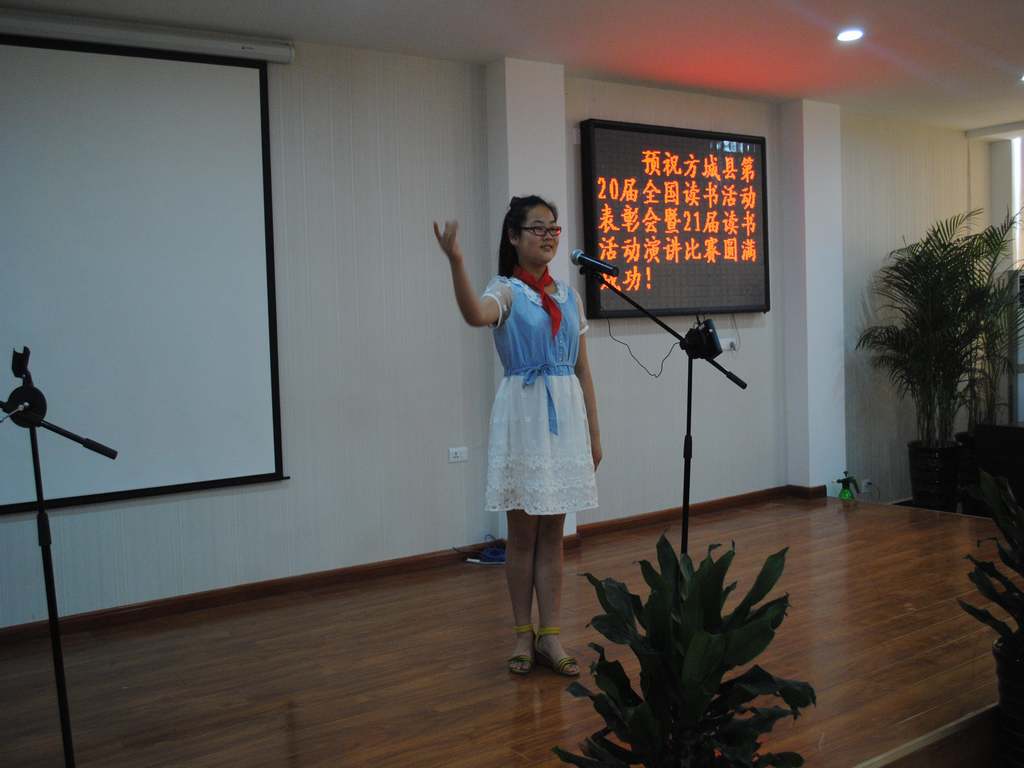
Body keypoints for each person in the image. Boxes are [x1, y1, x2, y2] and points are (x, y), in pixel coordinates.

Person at [433, 195, 601, 677]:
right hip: (524, 417)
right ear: (513, 236)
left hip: (565, 420)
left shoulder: (568, 296)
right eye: (537, 228)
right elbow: (475, 314)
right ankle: (522, 635)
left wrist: (594, 433)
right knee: (522, 535)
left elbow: (583, 369)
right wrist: (456, 262)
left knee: (554, 535)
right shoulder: (505, 291)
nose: (548, 236)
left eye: (553, 228)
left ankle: (551, 635)